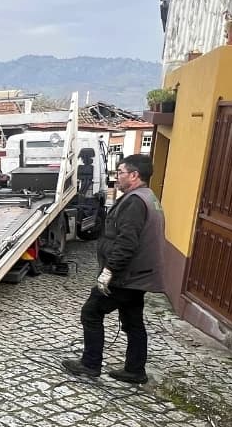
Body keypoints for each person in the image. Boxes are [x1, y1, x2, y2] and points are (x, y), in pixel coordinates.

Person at [62, 154, 165, 384]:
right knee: (133, 321)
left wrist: (109, 271)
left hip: (126, 277)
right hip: (139, 276)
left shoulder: (134, 202)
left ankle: (90, 365)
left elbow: (126, 243)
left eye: (121, 172)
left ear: (135, 175)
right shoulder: (147, 197)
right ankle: (135, 370)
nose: (117, 177)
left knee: (91, 312)